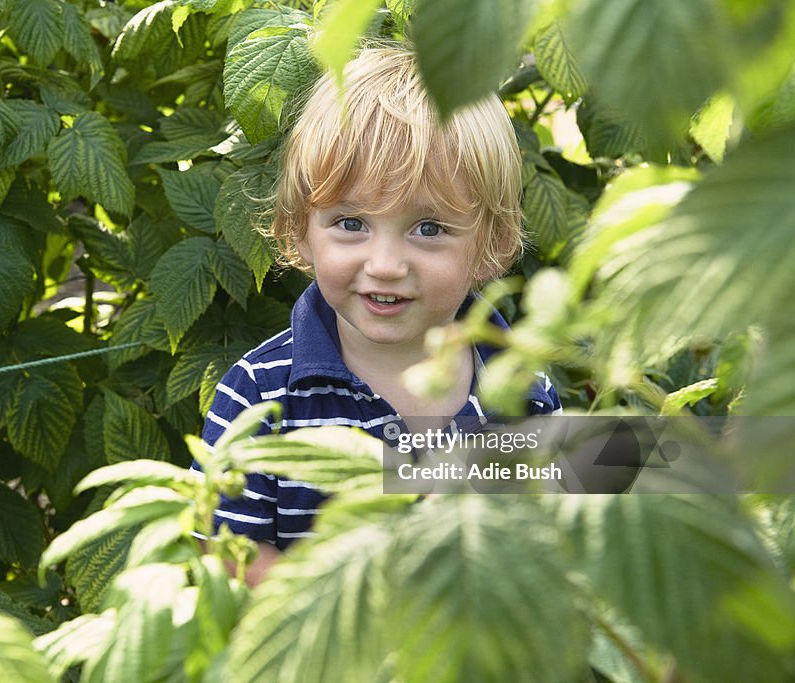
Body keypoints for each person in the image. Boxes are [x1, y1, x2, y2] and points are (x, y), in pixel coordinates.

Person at [195, 45, 561, 585]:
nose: (386, 266)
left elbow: (552, 536)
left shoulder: (521, 389)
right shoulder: (260, 396)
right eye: (351, 223)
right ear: (300, 228)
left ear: (492, 243)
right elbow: (224, 551)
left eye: (429, 229)